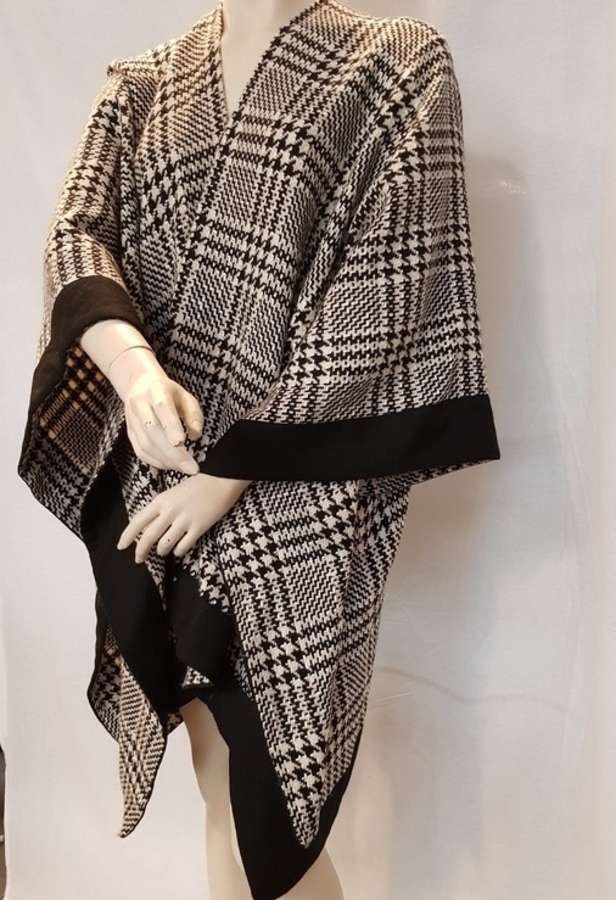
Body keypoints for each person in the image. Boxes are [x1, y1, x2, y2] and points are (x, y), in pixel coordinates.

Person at [17, 1, 500, 898]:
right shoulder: (142, 82)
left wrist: (231, 474)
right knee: (219, 781)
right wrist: (134, 374)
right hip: (162, 477)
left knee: (271, 806)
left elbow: (388, 284)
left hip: (301, 493)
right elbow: (76, 234)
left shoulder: (397, 62)